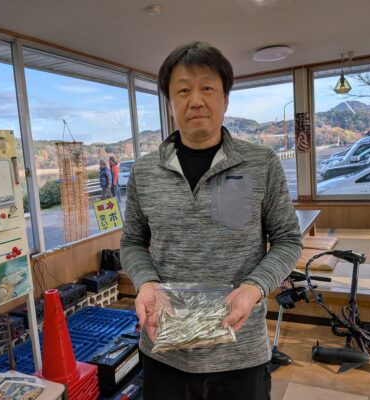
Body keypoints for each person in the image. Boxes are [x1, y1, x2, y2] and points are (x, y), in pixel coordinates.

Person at [120, 42, 302, 400]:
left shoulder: (260, 162)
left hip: (240, 352)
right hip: (164, 348)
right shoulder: (144, 171)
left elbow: (287, 239)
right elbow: (132, 242)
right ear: (170, 103)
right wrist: (146, 283)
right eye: (183, 90)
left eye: (207, 88)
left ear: (225, 98)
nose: (196, 100)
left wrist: (253, 288)